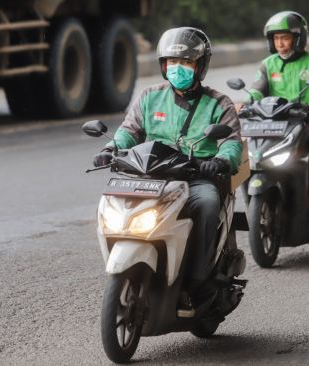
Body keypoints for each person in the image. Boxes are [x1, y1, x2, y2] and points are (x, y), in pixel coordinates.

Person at [92, 27, 242, 316]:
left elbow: (232, 144)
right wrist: (110, 149)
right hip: (151, 176)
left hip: (196, 177)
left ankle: (199, 280)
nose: (178, 69)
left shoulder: (219, 103)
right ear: (163, 66)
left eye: (185, 63)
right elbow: (129, 132)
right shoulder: (149, 97)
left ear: (200, 66)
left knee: (208, 204)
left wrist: (220, 161)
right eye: (172, 63)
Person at [239, 10, 309, 218]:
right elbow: (258, 87)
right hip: (273, 122)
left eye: (285, 38)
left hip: (304, 119)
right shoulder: (268, 64)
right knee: (248, 149)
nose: (280, 43)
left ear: (298, 38)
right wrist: (247, 101)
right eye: (276, 39)